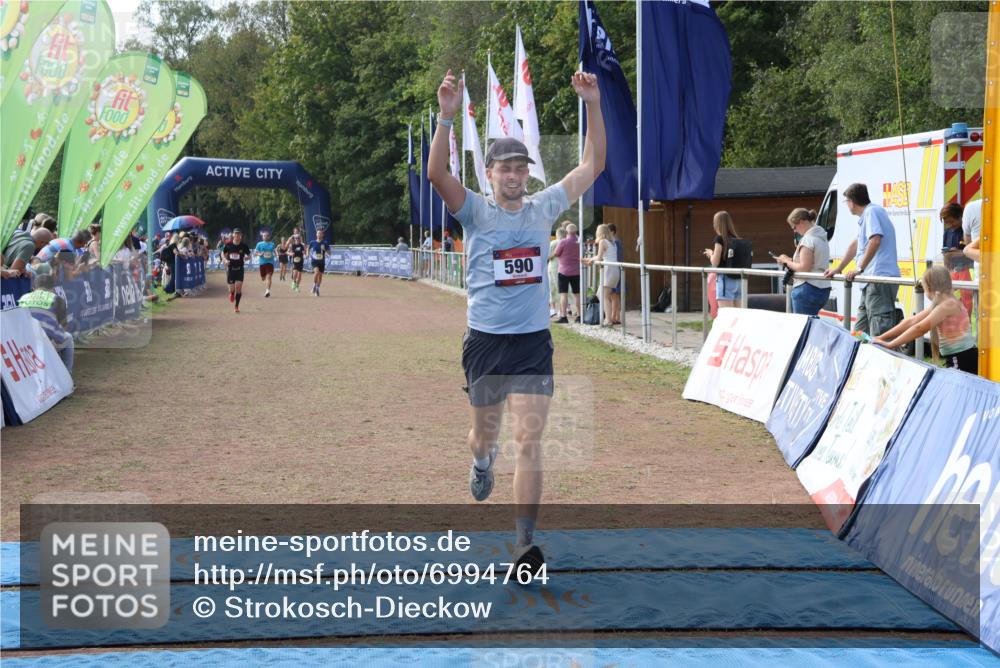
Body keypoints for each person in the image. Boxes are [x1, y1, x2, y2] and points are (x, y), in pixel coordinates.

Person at [428, 68, 605, 575]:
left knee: (530, 440)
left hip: (532, 343)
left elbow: (594, 162)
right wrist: (446, 116)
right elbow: (438, 175)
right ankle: (481, 462)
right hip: (485, 344)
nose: (514, 175)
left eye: (520, 167)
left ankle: (524, 544)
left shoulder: (545, 208)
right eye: (505, 168)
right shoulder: (476, 212)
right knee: (485, 437)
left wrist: (591, 102)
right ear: (488, 173)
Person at [824, 183, 901, 337]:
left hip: (878, 278)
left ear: (852, 201)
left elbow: (875, 240)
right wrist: (839, 268)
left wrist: (860, 268)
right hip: (870, 281)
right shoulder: (868, 215)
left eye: (846, 202)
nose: (847, 206)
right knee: (860, 332)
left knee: (879, 331)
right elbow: (856, 244)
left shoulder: (872, 212)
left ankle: (881, 359)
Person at [873, 266, 977, 374]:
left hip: (961, 358)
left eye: (924, 289)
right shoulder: (945, 302)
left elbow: (920, 328)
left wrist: (891, 344)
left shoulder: (947, 306)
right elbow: (911, 321)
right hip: (962, 357)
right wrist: (881, 337)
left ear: (930, 289)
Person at [775, 208, 832, 316]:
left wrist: (786, 261)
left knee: (803, 327)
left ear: (801, 222)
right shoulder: (821, 236)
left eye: (794, 227)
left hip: (807, 288)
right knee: (813, 324)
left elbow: (804, 267)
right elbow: (813, 262)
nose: (794, 231)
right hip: (823, 288)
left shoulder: (808, 239)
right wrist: (790, 260)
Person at [18, 273, 73, 372]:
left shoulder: (23, 298)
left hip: (23, 344)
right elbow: (64, 328)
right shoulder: (57, 299)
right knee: (68, 337)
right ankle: (67, 375)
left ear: (34, 288)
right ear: (53, 288)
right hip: (43, 343)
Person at [703, 211, 743, 310]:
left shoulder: (720, 239)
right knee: (737, 317)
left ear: (717, 224)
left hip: (725, 280)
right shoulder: (736, 239)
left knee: (726, 317)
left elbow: (715, 263)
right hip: (739, 281)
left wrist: (711, 254)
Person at [582, 224, 619, 325]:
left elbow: (599, 258)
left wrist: (589, 260)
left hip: (609, 270)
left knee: (603, 295)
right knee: (602, 294)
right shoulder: (613, 242)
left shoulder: (603, 241)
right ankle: (608, 317)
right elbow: (600, 257)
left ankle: (608, 319)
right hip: (614, 270)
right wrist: (589, 259)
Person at [551, 223, 581, 323]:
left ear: (567, 232)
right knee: (577, 294)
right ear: (576, 232)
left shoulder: (563, 241)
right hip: (576, 271)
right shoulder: (579, 242)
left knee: (563, 294)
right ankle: (580, 315)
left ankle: (564, 316)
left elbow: (556, 253)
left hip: (563, 271)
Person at [221, 228, 251, 313]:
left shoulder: (244, 245)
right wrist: (225, 260)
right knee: (231, 289)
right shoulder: (229, 245)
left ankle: (236, 306)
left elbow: (249, 255)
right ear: (233, 235)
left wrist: (247, 257)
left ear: (240, 236)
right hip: (230, 269)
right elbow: (222, 253)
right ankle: (231, 294)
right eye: (235, 234)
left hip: (240, 269)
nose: (237, 235)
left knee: (238, 287)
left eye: (238, 234)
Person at [547, 227, 566, 318]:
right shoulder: (567, 242)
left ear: (557, 234)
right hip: (564, 266)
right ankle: (562, 310)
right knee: (563, 289)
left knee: (552, 287)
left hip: (553, 266)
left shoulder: (553, 243)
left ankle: (553, 309)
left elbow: (549, 256)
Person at [308, 228, 331, 296]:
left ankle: (317, 288)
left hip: (321, 262)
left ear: (322, 235)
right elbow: (308, 249)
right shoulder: (312, 242)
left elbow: (329, 253)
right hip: (314, 261)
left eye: (320, 233)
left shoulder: (325, 243)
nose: (319, 234)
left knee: (320, 276)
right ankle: (314, 285)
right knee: (316, 272)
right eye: (318, 233)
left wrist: (325, 249)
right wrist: (307, 254)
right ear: (316, 234)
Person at [608, 224, 623, 324]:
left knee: (614, 295)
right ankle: (616, 316)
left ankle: (613, 316)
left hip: (614, 269)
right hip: (617, 269)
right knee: (615, 295)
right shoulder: (617, 242)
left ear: (612, 231)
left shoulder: (614, 242)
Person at [254, 230, 277, 297]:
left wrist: (277, 254)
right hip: (262, 264)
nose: (265, 237)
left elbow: (274, 251)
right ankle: (263, 278)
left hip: (270, 263)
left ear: (269, 237)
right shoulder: (259, 244)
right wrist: (260, 254)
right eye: (264, 236)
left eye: (267, 236)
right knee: (263, 278)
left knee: (269, 277)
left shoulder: (272, 244)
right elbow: (255, 253)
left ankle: (267, 291)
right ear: (262, 237)